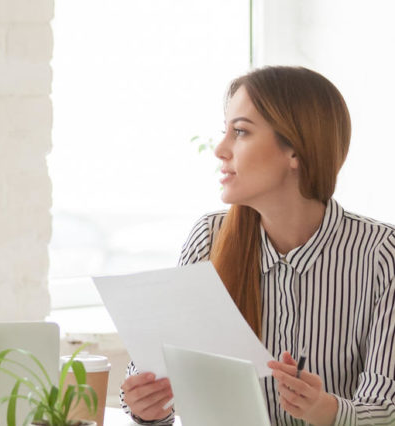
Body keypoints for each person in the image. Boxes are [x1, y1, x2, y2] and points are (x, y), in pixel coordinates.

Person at [120, 66, 395, 425]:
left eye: (240, 132)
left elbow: (386, 407)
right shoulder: (208, 238)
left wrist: (326, 411)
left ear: (295, 150)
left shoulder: (381, 255)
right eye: (225, 132)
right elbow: (157, 377)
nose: (220, 149)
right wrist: (148, 406)